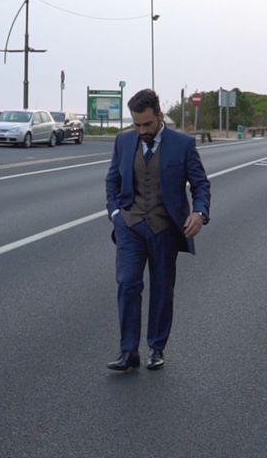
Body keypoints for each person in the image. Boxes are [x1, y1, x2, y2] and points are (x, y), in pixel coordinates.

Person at [105, 89, 211, 372]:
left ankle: (156, 348)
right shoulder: (123, 141)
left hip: (164, 228)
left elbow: (201, 185)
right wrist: (115, 214)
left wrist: (199, 213)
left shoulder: (183, 145)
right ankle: (128, 351)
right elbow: (112, 182)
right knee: (128, 283)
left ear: (160, 117)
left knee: (162, 289)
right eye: (137, 125)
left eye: (147, 124)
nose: (142, 130)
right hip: (130, 225)